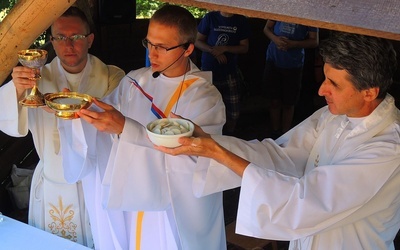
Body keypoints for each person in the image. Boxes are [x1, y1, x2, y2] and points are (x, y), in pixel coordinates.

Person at [155, 32, 400, 249]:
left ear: (369, 92)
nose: (321, 90)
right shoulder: (332, 117)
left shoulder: (389, 147)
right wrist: (212, 145)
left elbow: (307, 201)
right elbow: (281, 155)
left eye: (333, 84)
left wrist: (220, 155)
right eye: (325, 77)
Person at [58, 4, 227, 250]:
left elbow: (195, 159)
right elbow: (107, 114)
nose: (153, 54)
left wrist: (125, 128)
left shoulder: (204, 98)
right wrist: (78, 110)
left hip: (171, 209)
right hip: (132, 194)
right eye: (149, 43)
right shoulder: (136, 80)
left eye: (162, 47)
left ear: (188, 48)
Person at [0, 6, 125, 248]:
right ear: (52, 42)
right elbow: (9, 119)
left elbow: (119, 123)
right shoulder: (34, 77)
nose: (68, 45)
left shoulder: (111, 76)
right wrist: (15, 88)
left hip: (94, 180)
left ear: (90, 40)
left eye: (76, 37)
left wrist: (72, 112)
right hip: (51, 181)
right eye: (60, 37)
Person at [195, 11, 250, 135]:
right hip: (209, 71)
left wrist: (225, 48)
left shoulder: (241, 20)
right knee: (207, 108)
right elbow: (197, 41)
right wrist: (214, 51)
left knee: (233, 111)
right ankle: (212, 136)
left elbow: (244, 47)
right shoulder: (210, 17)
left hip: (230, 71)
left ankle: (229, 134)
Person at [263, 20, 319, 138]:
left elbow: (314, 41)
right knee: (274, 100)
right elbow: (266, 29)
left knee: (289, 102)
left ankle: (285, 134)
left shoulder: (310, 14)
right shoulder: (280, 7)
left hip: (294, 63)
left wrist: (293, 44)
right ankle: (275, 132)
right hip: (273, 59)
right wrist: (276, 39)